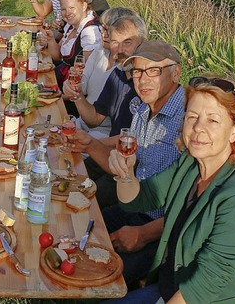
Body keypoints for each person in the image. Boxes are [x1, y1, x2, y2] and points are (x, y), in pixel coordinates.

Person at [106, 76, 235, 303]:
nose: (197, 128)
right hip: (171, 288)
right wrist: (125, 175)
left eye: (212, 121)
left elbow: (202, 288)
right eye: (192, 117)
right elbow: (139, 199)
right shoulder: (190, 165)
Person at [63, 40, 185, 288]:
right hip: (132, 207)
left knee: (95, 281)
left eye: (153, 71)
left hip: (163, 231)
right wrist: (88, 144)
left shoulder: (187, 121)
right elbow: (122, 170)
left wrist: (144, 234)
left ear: (176, 72)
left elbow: (191, 204)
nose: (143, 80)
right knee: (70, 236)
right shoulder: (141, 109)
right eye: (137, 72)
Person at [62, 7, 136, 140]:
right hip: (83, 121)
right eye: (101, 28)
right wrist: (72, 85)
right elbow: (82, 86)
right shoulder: (99, 52)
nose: (103, 34)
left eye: (108, 30)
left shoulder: (125, 70)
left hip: (103, 133)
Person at [39, 0, 101, 90]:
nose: (67, 13)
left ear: (84, 6)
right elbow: (58, 56)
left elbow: (85, 71)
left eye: (72, 8)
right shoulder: (71, 25)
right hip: (63, 76)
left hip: (75, 87)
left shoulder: (90, 32)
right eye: (63, 9)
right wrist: (51, 40)